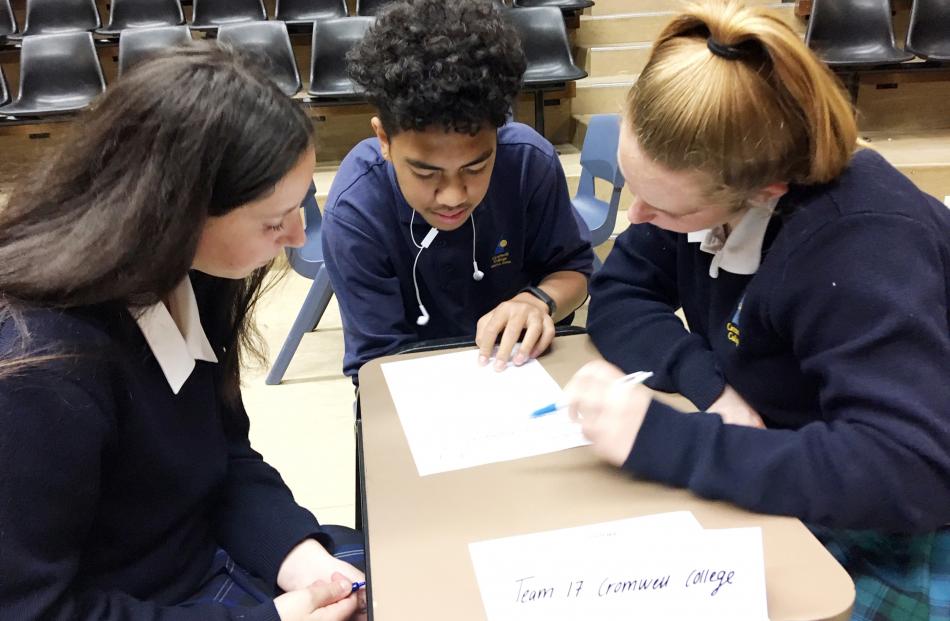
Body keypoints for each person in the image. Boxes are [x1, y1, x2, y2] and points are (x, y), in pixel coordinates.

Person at [563, 1, 950, 619]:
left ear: (764, 192)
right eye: (636, 190)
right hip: (806, 460)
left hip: (899, 508)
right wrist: (710, 388)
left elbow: (908, 472)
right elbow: (620, 290)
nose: (637, 218)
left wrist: (668, 441)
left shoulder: (862, 245)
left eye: (665, 208)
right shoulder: (704, 180)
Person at [0, 45, 366, 621]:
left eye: (302, 208)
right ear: (176, 214)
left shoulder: (191, 277)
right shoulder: (39, 371)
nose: (299, 237)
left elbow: (221, 458)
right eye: (275, 221)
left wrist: (299, 559)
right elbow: (32, 609)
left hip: (208, 566)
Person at [321, 0, 594, 381]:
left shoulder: (528, 164)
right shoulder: (358, 207)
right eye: (425, 171)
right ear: (384, 139)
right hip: (416, 382)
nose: (452, 196)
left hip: (522, 373)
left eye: (476, 166)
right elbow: (376, 366)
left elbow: (576, 269)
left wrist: (537, 301)